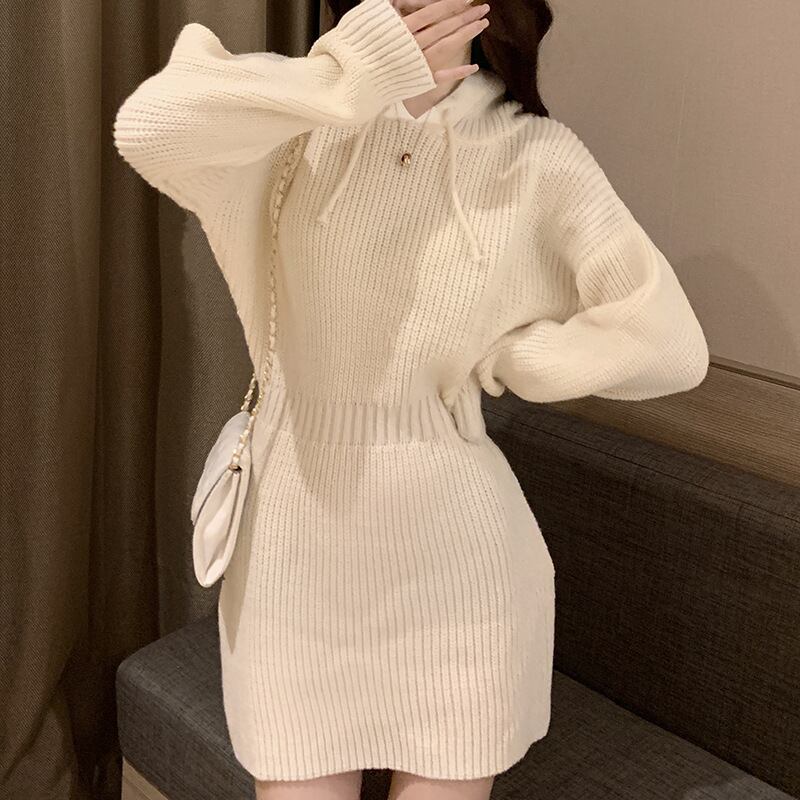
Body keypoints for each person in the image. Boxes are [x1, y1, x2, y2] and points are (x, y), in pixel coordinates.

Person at [112, 0, 710, 797]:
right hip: (294, 557)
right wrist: (351, 78)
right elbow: (148, 128)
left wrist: (514, 358)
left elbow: (670, 344)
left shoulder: (535, 157)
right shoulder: (301, 117)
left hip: (459, 572)